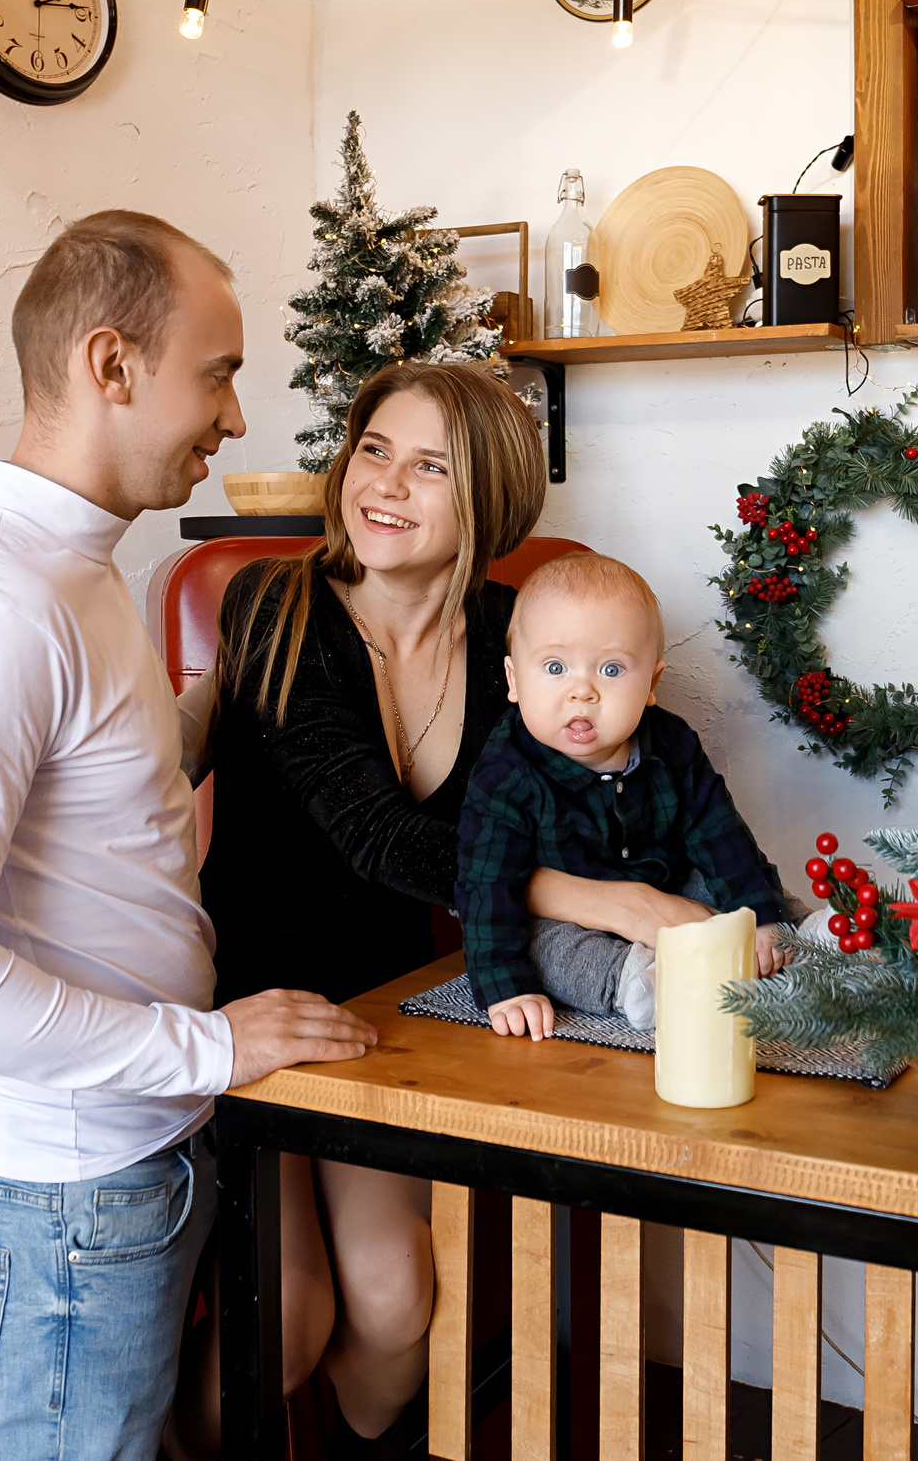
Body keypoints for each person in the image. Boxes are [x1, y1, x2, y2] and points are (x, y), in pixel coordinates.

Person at [0, 210, 377, 1461]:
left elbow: (108, 798)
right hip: (56, 1204)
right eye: (220, 372)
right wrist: (201, 1046)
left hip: (118, 1170)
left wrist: (253, 694)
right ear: (111, 364)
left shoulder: (76, 575)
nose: (236, 419)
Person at [176, 362, 542, 1459]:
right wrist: (585, 894)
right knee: (289, 1322)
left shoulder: (519, 635)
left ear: (488, 497)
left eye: (430, 465)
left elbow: (559, 809)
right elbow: (382, 840)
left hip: (387, 1021)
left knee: (392, 1309)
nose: (383, 485)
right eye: (373, 449)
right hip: (249, 1009)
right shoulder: (275, 607)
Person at [455, 554, 789, 1039]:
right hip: (568, 920)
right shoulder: (505, 774)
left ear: (651, 684)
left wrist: (761, 915)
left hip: (666, 888)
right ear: (513, 679)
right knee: (543, 945)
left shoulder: (672, 745)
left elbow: (720, 835)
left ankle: (808, 937)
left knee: (729, 882)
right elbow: (485, 887)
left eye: (611, 670)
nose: (582, 692)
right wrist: (506, 987)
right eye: (555, 667)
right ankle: (633, 982)